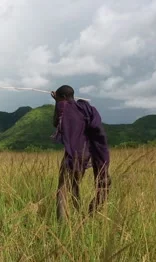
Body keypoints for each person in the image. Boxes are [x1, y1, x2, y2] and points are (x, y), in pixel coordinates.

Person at [51, 85, 111, 221]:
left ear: (64, 98)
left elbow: (56, 123)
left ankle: (63, 227)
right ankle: (82, 218)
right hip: (88, 152)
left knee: (63, 189)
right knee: (74, 186)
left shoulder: (65, 107)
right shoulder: (88, 109)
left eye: (60, 98)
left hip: (74, 153)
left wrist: (56, 102)